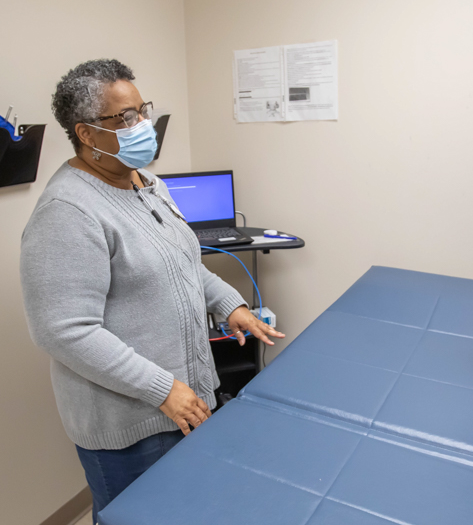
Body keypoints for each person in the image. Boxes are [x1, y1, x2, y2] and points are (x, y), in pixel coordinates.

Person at [20, 59, 285, 524]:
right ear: (86, 134)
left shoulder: (147, 184)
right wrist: (164, 390)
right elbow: (64, 331)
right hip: (132, 422)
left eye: (142, 110)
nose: (142, 125)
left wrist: (231, 306)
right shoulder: (67, 212)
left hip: (184, 402)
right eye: (124, 118)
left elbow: (181, 263)